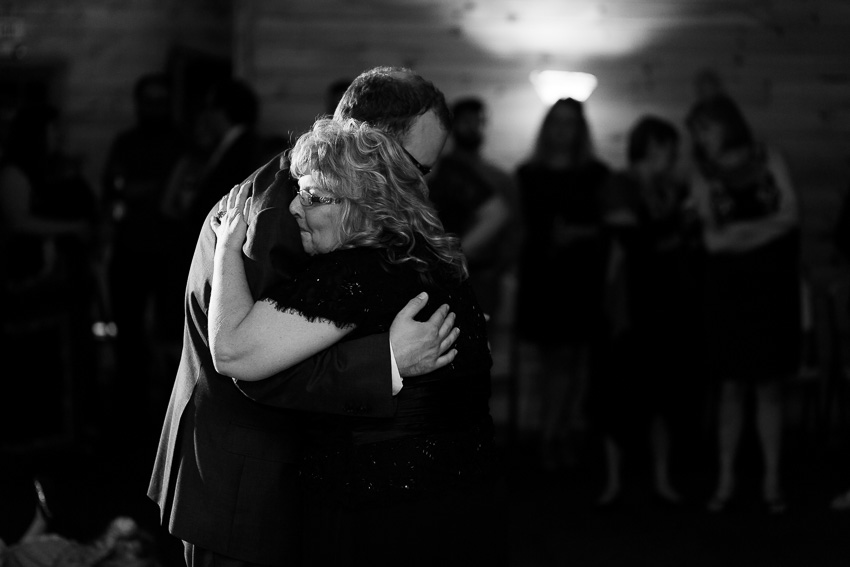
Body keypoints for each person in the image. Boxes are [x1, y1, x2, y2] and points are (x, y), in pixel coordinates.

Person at [148, 66, 460, 567]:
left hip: (269, 474)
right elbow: (252, 362)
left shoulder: (335, 197)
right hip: (246, 485)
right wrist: (388, 362)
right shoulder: (292, 210)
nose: (420, 186)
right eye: (415, 168)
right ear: (370, 145)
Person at [211, 117, 501, 566]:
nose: (291, 208)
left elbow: (232, 351)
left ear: (366, 205)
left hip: (383, 516)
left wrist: (227, 251)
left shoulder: (356, 271)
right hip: (460, 502)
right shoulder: (430, 260)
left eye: (312, 197)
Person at [685, 95, 801, 514]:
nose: (702, 137)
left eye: (707, 127)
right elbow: (713, 240)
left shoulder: (769, 156)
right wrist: (763, 230)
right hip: (727, 292)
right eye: (696, 131)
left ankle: (772, 481)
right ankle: (726, 479)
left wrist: (742, 235)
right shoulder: (702, 172)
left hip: (772, 288)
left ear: (727, 124)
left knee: (770, 386)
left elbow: (791, 216)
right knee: (730, 388)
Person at [592, 116, 696, 506]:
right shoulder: (619, 186)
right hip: (626, 308)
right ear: (653, 146)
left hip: (665, 307)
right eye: (667, 147)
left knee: (662, 399)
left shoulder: (671, 189)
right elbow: (633, 240)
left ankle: (662, 478)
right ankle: (614, 482)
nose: (672, 155)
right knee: (617, 399)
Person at [514, 97, 611, 468]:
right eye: (556, 121)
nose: (562, 129)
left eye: (570, 122)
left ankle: (555, 433)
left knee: (571, 359)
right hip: (542, 277)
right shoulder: (527, 174)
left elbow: (607, 228)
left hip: (580, 278)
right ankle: (551, 433)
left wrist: (579, 234)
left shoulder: (597, 174)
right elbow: (522, 228)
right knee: (552, 359)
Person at [100, 73, 186, 436]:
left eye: (160, 100)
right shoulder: (126, 142)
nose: (154, 107)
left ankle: (175, 414)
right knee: (129, 334)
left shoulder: (181, 142)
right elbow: (113, 191)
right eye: (148, 100)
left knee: (172, 333)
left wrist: (145, 192)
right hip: (131, 250)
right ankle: (129, 414)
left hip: (171, 254)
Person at [426, 96, 519, 331]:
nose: (471, 127)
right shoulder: (437, 168)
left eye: (477, 121)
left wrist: (499, 268)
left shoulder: (496, 177)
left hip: (481, 273)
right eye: (465, 121)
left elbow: (509, 222)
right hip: (437, 276)